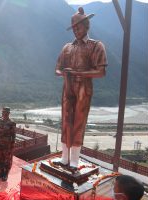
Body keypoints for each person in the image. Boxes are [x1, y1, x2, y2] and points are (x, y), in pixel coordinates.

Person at [54, 7, 107, 170]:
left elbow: (101, 71)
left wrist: (77, 73)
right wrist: (64, 73)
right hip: (67, 86)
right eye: (74, 27)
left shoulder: (96, 46)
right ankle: (64, 157)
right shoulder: (67, 48)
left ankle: (75, 159)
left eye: (79, 26)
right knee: (65, 120)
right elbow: (57, 69)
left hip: (84, 87)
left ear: (87, 26)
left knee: (79, 121)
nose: (76, 30)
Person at [0, 107, 16, 181]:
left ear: (9, 113)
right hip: (0, 143)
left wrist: (12, 145)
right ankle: (1, 172)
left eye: (6, 112)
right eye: (3, 112)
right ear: (2, 113)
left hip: (8, 145)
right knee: (0, 158)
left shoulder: (11, 123)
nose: (4, 114)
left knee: (7, 160)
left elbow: (13, 135)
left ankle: (6, 174)